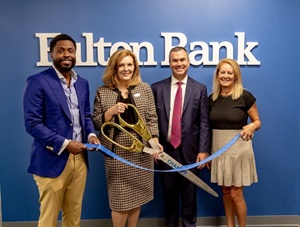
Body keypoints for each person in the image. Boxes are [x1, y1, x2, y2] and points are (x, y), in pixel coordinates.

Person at [23, 33, 100, 227]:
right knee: (48, 220)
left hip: (80, 160)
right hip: (52, 160)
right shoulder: (37, 82)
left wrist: (90, 134)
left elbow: (86, 116)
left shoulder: (82, 83)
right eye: (61, 51)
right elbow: (32, 123)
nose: (66, 54)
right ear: (51, 54)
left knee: (73, 219)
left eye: (70, 51)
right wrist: (65, 144)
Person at [92, 49, 162, 227]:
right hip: (117, 152)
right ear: (114, 68)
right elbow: (95, 122)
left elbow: (152, 118)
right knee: (120, 201)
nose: (126, 68)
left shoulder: (144, 88)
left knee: (136, 197)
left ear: (135, 67)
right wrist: (110, 112)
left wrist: (155, 142)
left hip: (141, 151)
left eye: (129, 64)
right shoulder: (103, 91)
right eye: (121, 65)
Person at [151, 46, 211, 227]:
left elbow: (204, 123)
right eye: (175, 60)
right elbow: (150, 121)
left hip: (190, 152)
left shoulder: (199, 89)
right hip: (164, 151)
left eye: (182, 60)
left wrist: (203, 150)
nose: (179, 64)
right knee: (168, 196)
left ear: (188, 62)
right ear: (169, 63)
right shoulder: (156, 88)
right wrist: (153, 147)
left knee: (189, 197)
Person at [209, 58, 261, 227]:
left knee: (236, 193)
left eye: (229, 73)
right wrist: (209, 154)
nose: (225, 76)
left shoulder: (245, 96)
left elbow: (258, 121)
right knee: (225, 191)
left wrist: (251, 126)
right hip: (218, 149)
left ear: (235, 76)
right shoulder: (212, 99)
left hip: (239, 148)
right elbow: (207, 128)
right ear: (217, 76)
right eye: (222, 72)